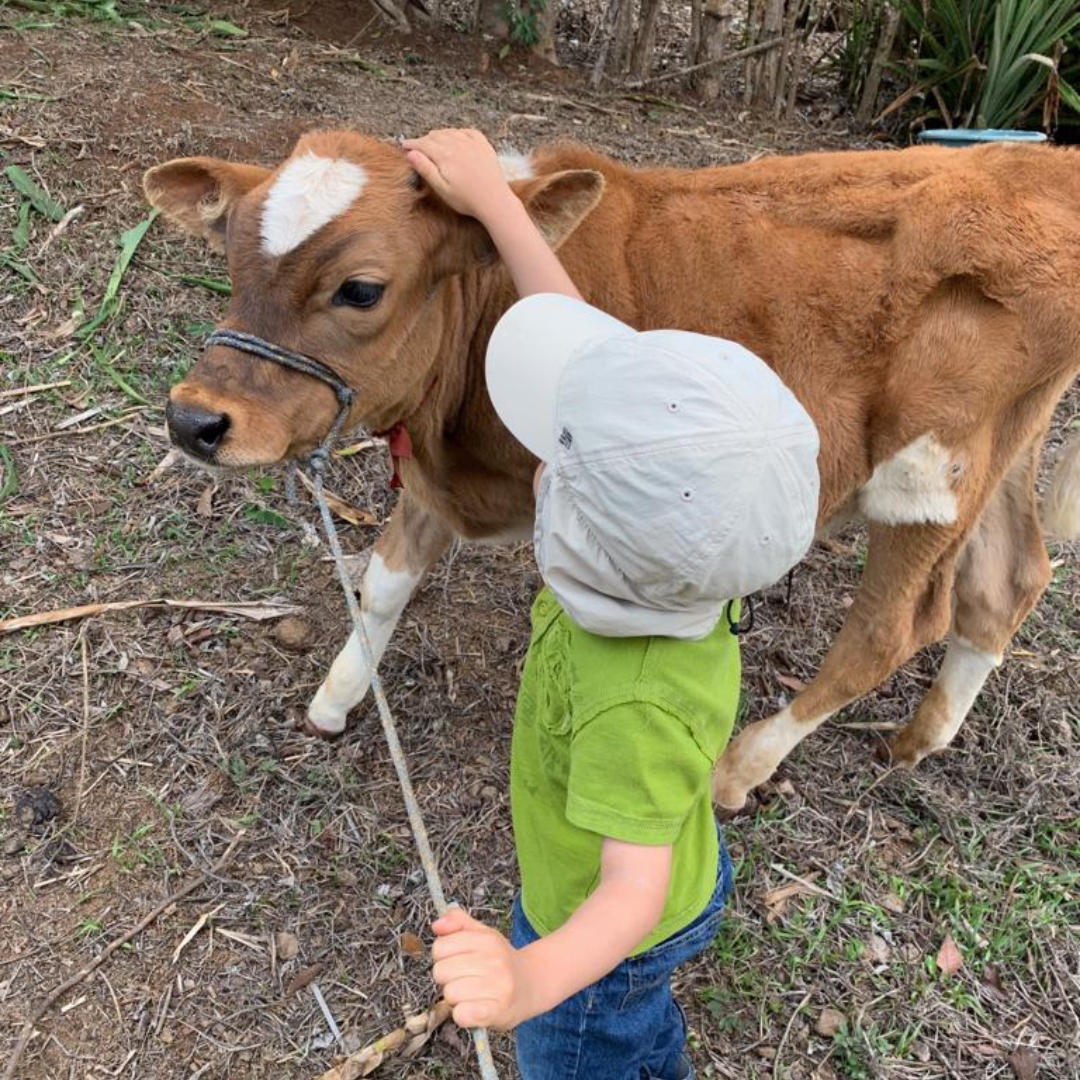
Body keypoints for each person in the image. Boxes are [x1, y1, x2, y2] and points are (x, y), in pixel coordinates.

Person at [401, 129, 820, 1080]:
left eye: (560, 464)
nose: (543, 462)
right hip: (628, 890)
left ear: (585, 542)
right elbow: (583, 338)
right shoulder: (681, 569)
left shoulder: (633, 703)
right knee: (640, 1029)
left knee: (589, 1052)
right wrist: (498, 203)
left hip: (600, 943)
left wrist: (530, 979)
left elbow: (629, 896)